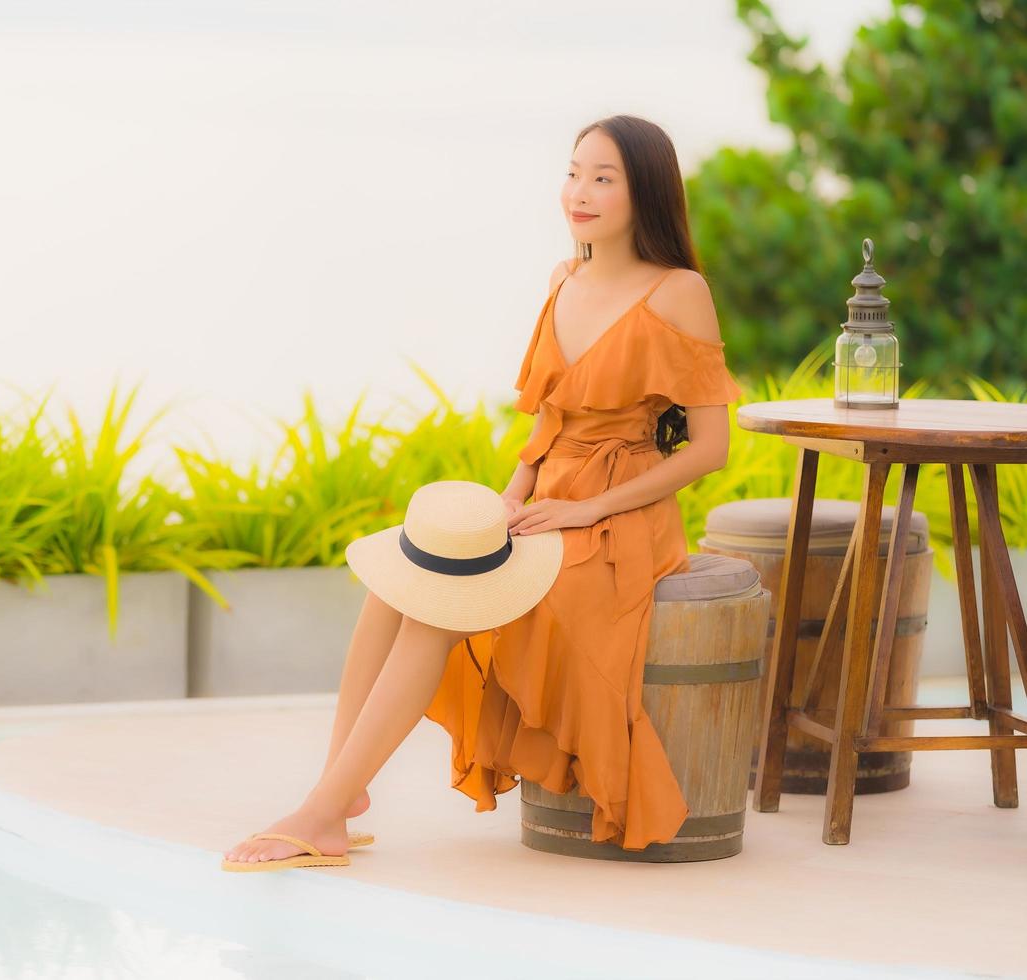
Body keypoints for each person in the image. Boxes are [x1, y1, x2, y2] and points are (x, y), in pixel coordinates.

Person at [221, 114, 744, 870]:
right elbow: (547, 422)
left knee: (441, 611)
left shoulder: (678, 290)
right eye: (574, 172)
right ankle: (344, 787)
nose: (581, 193)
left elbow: (711, 449)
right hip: (543, 501)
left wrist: (589, 507)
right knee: (399, 583)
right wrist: (509, 500)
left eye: (604, 178)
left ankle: (321, 814)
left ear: (647, 192)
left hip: (619, 520)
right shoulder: (563, 278)